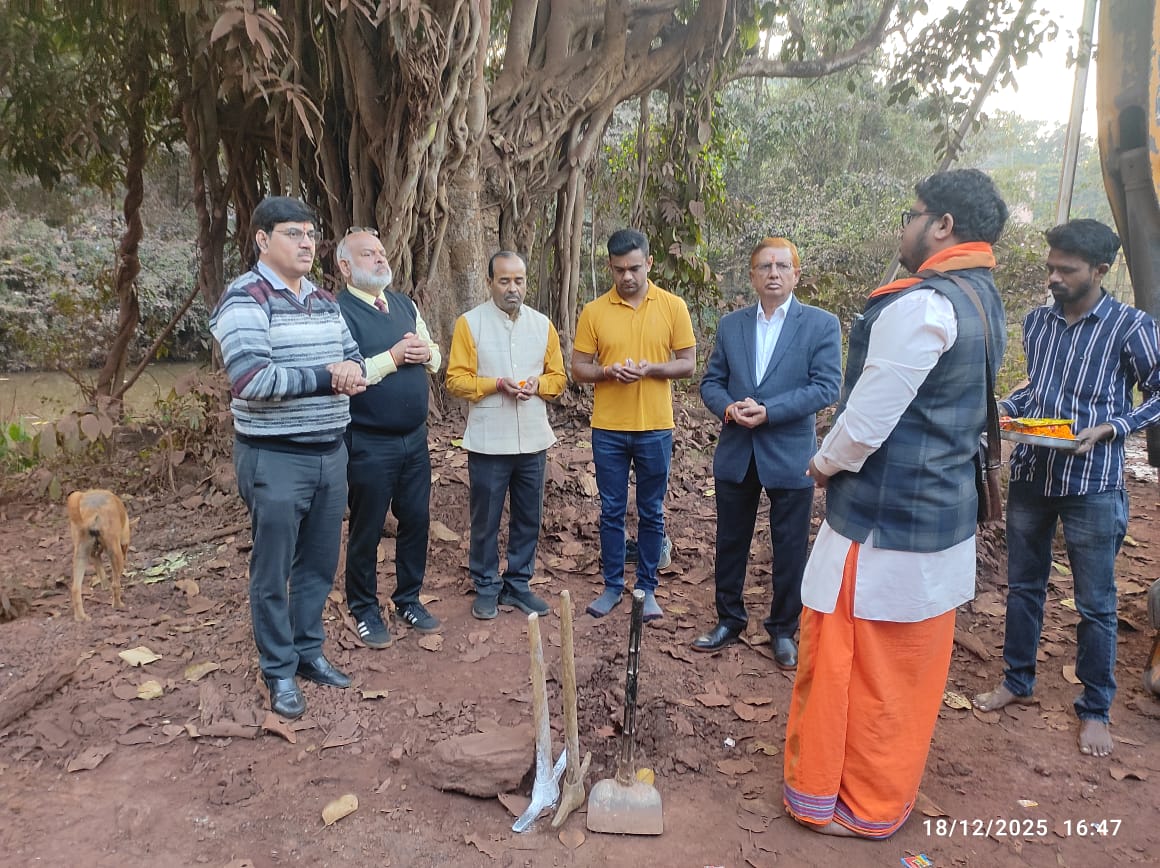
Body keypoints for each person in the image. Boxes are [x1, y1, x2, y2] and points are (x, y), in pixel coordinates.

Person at [783, 169, 1009, 838]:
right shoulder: (982, 297)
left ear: (942, 225)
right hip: (940, 515)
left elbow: (866, 419)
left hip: (882, 526)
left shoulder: (923, 306)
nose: (903, 228)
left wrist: (822, 462)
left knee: (855, 664)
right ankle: (882, 796)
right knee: (907, 670)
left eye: (911, 215)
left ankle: (846, 803)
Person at [973, 219, 1160, 757]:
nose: (1053, 277)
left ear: (1100, 270)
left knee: (1096, 602)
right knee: (1023, 587)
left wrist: (1114, 427)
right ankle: (1017, 680)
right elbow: (1038, 389)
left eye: (1066, 270)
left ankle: (1096, 708)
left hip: (1093, 482)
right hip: (1034, 473)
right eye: (1050, 267)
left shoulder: (1131, 327)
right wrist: (1003, 411)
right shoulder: (1038, 322)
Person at [210, 196, 367, 720]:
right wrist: (328, 377)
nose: (306, 243)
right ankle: (278, 669)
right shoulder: (244, 299)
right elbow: (251, 379)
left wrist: (349, 370)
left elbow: (354, 358)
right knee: (273, 568)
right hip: (274, 457)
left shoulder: (323, 300)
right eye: (293, 233)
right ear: (262, 239)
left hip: (330, 454)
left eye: (311, 234)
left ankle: (307, 651)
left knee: (319, 564)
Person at [695, 237, 841, 667]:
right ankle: (729, 619)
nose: (773, 273)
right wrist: (728, 408)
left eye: (782, 266)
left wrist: (770, 411)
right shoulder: (732, 325)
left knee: (790, 546)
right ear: (752, 276)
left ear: (796, 274)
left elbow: (826, 386)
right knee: (730, 540)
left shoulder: (820, 325)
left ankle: (783, 629)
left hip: (790, 454)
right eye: (764, 266)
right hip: (738, 451)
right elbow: (711, 382)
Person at [571, 229, 697, 621]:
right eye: (619, 269)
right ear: (609, 267)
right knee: (611, 509)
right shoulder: (594, 311)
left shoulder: (673, 307)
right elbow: (578, 368)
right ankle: (612, 586)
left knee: (651, 510)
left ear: (649, 263)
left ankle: (647, 588)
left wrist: (651, 369)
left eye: (635, 268)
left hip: (655, 426)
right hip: (608, 428)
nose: (627, 276)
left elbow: (688, 363)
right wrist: (607, 372)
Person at [335, 228, 442, 648]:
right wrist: (394, 358)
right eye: (368, 254)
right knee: (368, 527)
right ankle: (364, 607)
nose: (381, 258)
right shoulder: (338, 312)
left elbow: (435, 355)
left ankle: (408, 598)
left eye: (381, 252)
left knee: (416, 519)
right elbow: (347, 373)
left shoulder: (404, 305)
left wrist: (426, 353)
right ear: (345, 266)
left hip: (414, 439)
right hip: (368, 440)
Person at [446, 251, 567, 619]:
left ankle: (518, 584)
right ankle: (486, 585)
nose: (513, 288)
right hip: (489, 440)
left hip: (533, 438)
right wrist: (495, 384)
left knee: (528, 516)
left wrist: (539, 384)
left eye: (519, 280)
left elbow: (558, 379)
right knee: (485, 518)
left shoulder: (542, 325)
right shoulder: (470, 323)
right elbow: (456, 380)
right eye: (504, 281)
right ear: (489, 282)